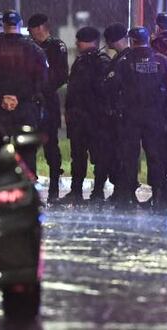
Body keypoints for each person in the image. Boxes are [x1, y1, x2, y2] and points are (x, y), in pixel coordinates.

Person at [112, 27, 167, 209]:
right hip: (155, 117)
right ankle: (159, 195)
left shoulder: (125, 62)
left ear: (132, 41)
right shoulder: (163, 61)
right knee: (156, 156)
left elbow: (112, 87)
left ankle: (127, 196)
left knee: (129, 156)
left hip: (131, 117)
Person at [0, 13, 49, 176]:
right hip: (26, 108)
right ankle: (28, 187)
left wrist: (1, 97)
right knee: (27, 151)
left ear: (3, 24)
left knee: (1, 150)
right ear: (20, 23)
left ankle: (3, 188)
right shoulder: (34, 49)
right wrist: (20, 98)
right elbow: (41, 81)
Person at [63, 27, 110, 203]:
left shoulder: (101, 62)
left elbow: (102, 91)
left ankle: (97, 192)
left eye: (79, 40)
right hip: (79, 119)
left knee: (99, 157)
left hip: (96, 119)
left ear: (90, 42)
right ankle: (76, 191)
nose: (76, 44)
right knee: (78, 157)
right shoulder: (81, 61)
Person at [27, 13, 69, 202]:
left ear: (40, 29)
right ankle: (31, 191)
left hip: (48, 101)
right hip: (31, 102)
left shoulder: (56, 47)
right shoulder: (28, 46)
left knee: (51, 146)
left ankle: (53, 191)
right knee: (28, 147)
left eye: (32, 31)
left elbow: (61, 75)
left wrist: (42, 88)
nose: (31, 34)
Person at [99, 24, 130, 201]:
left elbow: (113, 85)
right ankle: (122, 189)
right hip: (119, 114)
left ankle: (123, 190)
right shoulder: (120, 58)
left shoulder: (124, 60)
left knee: (121, 154)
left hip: (121, 115)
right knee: (118, 154)